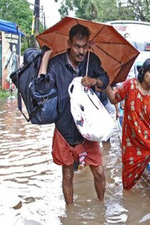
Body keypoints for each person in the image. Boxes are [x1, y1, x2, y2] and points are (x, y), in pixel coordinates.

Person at [38, 24, 109, 205]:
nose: (81, 51)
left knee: (99, 171)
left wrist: (94, 81)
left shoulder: (91, 61)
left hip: (87, 128)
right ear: (69, 43)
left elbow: (106, 78)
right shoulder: (56, 64)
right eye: (77, 46)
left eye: (84, 46)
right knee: (68, 174)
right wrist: (45, 59)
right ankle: (69, 212)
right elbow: (42, 88)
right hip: (64, 127)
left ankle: (101, 206)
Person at [105, 58, 150, 190]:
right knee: (127, 183)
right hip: (131, 141)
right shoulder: (130, 85)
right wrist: (106, 83)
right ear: (143, 71)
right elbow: (113, 99)